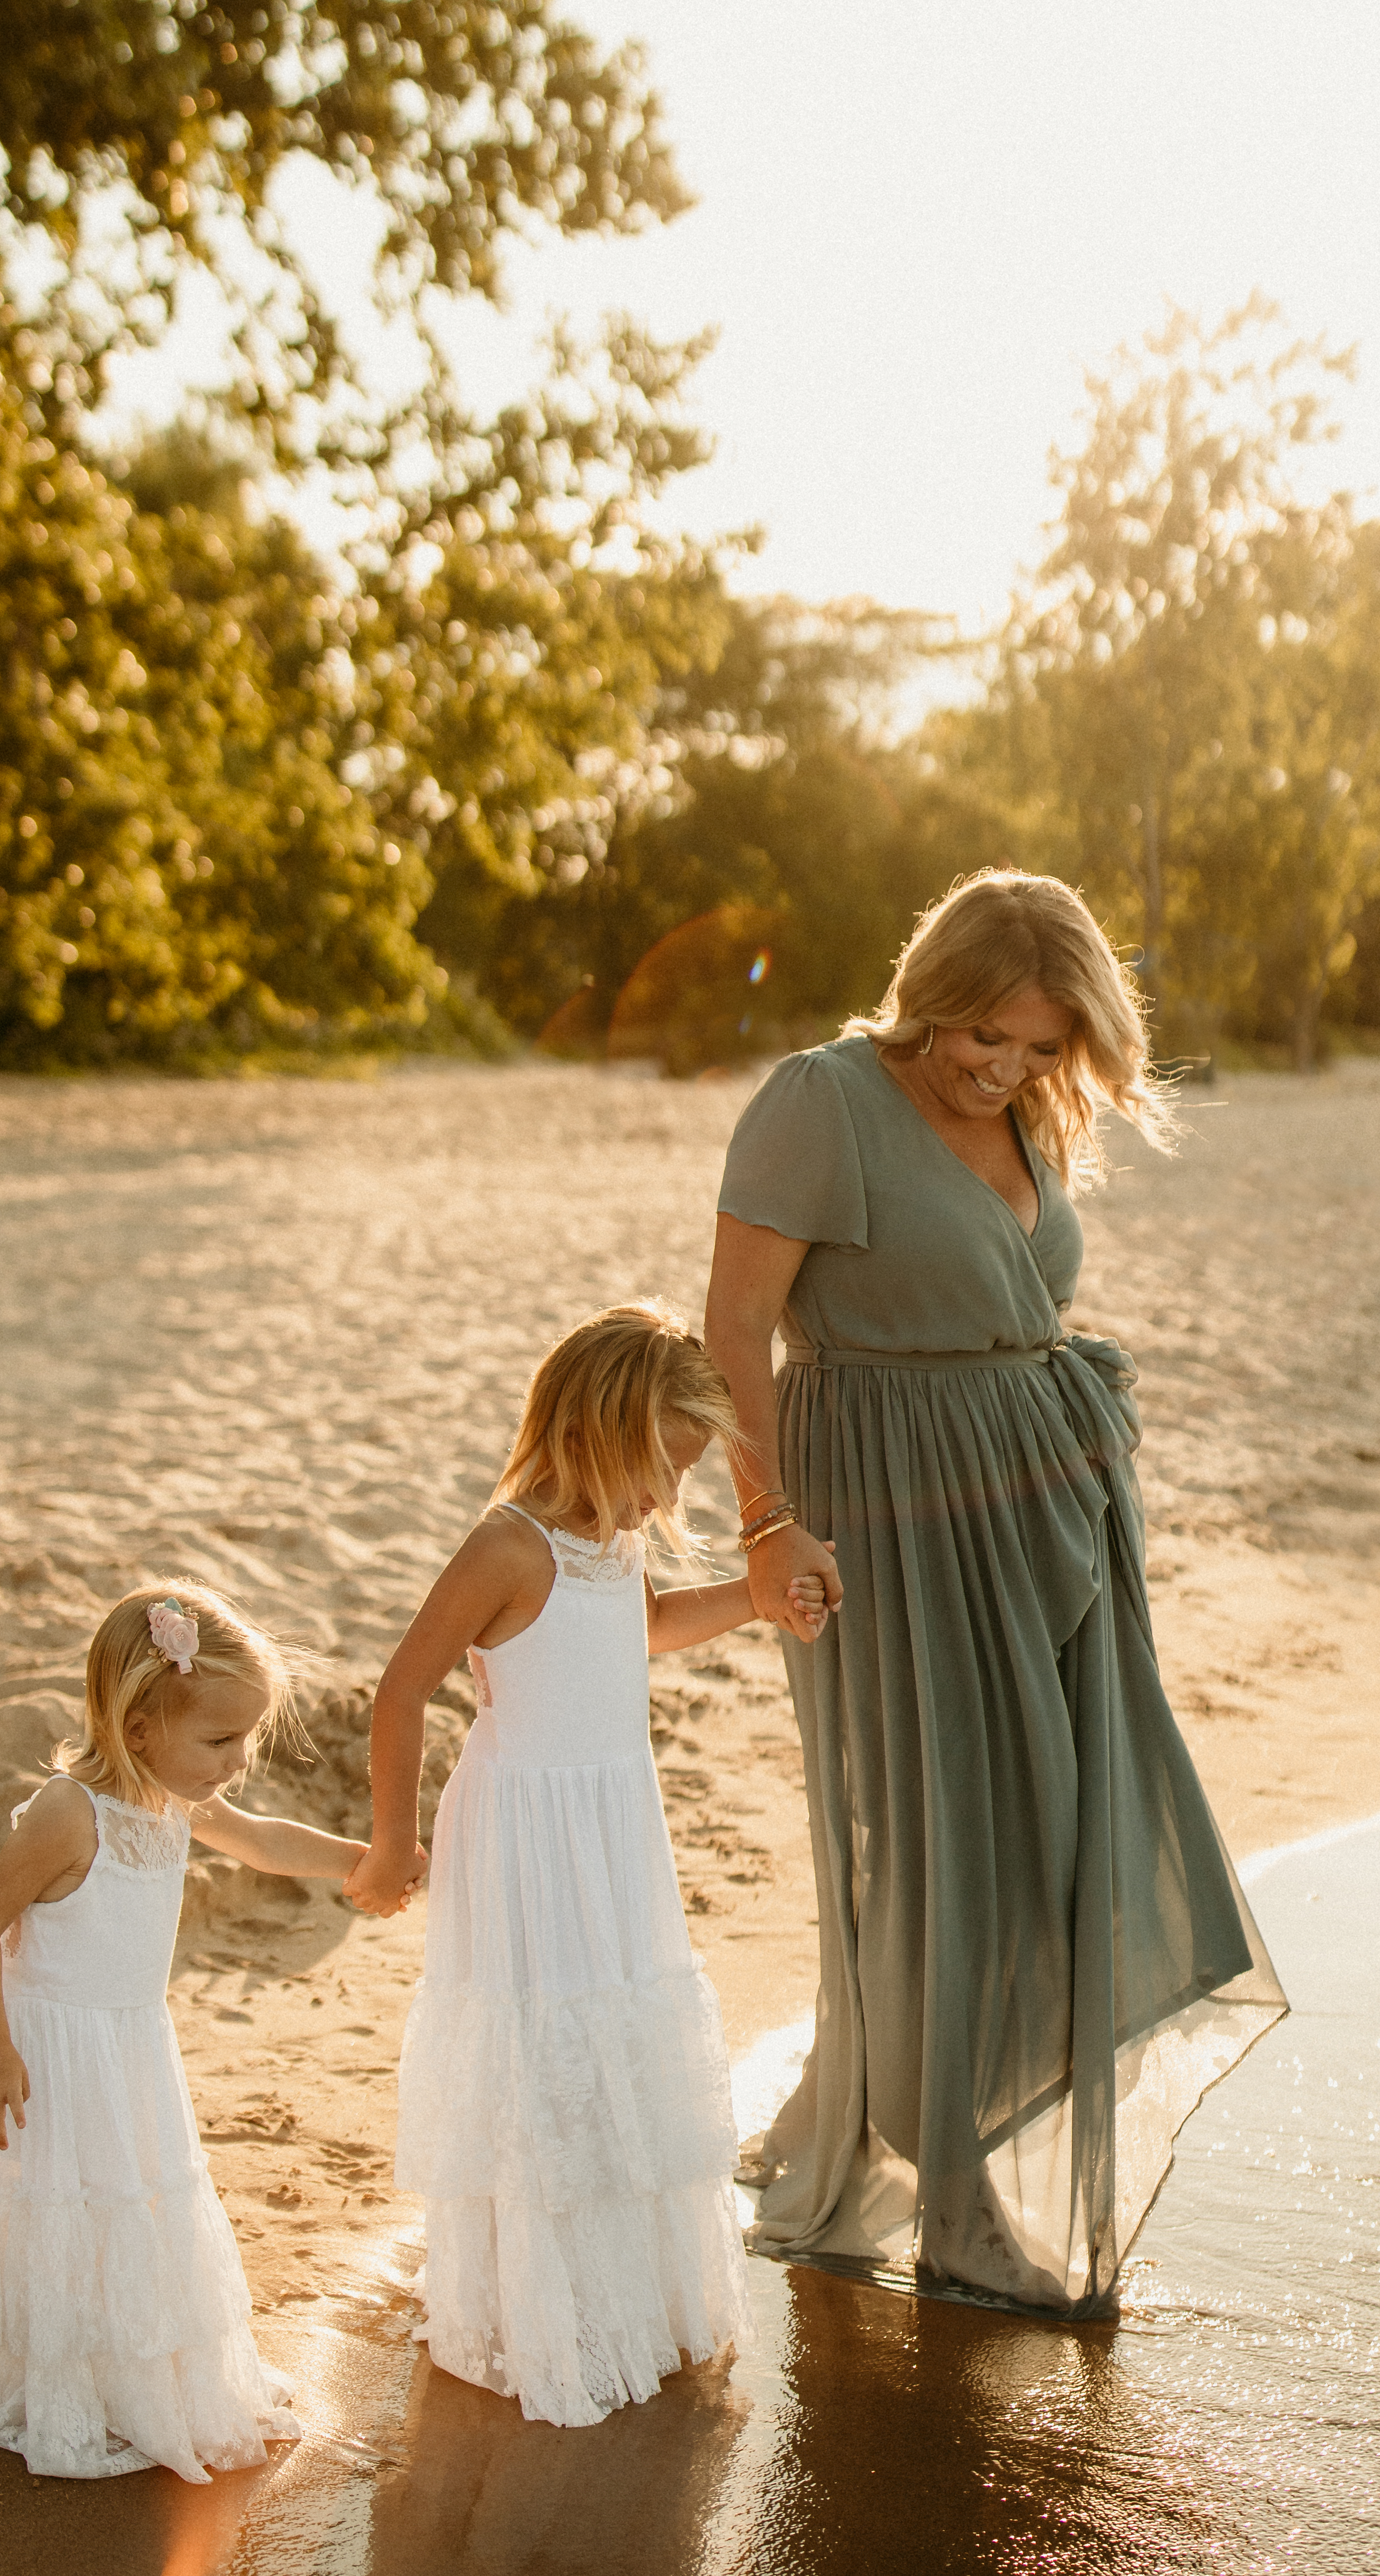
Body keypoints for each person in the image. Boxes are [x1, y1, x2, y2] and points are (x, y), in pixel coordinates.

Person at [705, 868, 1286, 2316]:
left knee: (1042, 1828)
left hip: (1045, 1506)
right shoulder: (820, 1101)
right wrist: (766, 1524)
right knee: (936, 1832)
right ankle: (953, 2200)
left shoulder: (1030, 1111)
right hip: (884, 1509)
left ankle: (847, 2110)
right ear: (931, 991)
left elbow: (1018, 1296)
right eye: (988, 1038)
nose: (1009, 1069)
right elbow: (729, 1327)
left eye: (1040, 1048)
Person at [348, 1303, 829, 2427]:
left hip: (614, 1824)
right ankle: (536, 2309)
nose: (668, 1499)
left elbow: (643, 1622)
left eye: (684, 1473)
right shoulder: (508, 1544)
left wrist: (758, 1601)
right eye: (661, 1467)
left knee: (613, 2031)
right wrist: (390, 1838)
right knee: (539, 2043)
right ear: (593, 1431)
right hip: (522, 1832)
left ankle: (626, 2295)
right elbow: (402, 1688)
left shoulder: (611, 1545)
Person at [0, 1578, 395, 2479]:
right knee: (51, 2200)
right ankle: (44, 2359)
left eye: (246, 1739)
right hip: (45, 2051)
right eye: (220, 1739)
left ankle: (109, 2355)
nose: (236, 1761)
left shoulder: (170, 1797)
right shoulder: (70, 1812)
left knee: (119, 2195)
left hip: (127, 2049)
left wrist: (368, 1862)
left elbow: (264, 1841)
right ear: (138, 1727)